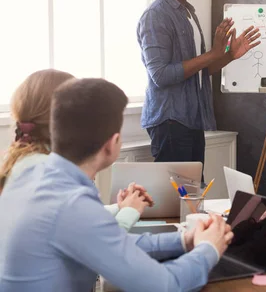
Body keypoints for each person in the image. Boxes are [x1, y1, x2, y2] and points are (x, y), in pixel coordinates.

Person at [0, 78, 234, 291]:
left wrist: (185, 239)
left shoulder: (33, 174)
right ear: (113, 144)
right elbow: (165, 285)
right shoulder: (70, 202)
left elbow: (114, 243)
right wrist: (208, 249)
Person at [137, 0, 261, 174]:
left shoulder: (188, 13)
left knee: (193, 192)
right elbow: (161, 75)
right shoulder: (156, 16)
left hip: (191, 119)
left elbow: (200, 70)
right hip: (170, 121)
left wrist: (229, 55)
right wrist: (213, 53)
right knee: (176, 195)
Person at [0, 69, 151, 231]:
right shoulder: (53, 174)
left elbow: (71, 219)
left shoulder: (27, 160)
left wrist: (120, 207)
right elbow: (97, 244)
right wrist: (129, 212)